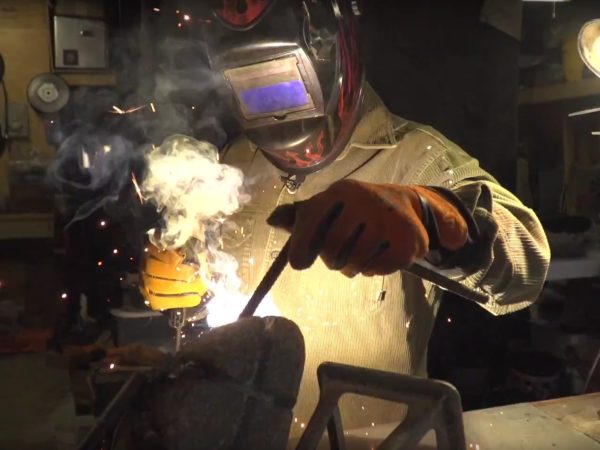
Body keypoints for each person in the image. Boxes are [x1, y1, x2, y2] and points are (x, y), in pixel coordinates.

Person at [144, 0, 550, 434]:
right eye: (250, 90)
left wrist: (432, 217)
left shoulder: (412, 156)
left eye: (284, 83)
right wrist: (187, 272)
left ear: (333, 58)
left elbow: (526, 268)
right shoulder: (236, 161)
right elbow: (221, 285)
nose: (275, 112)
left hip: (371, 442)